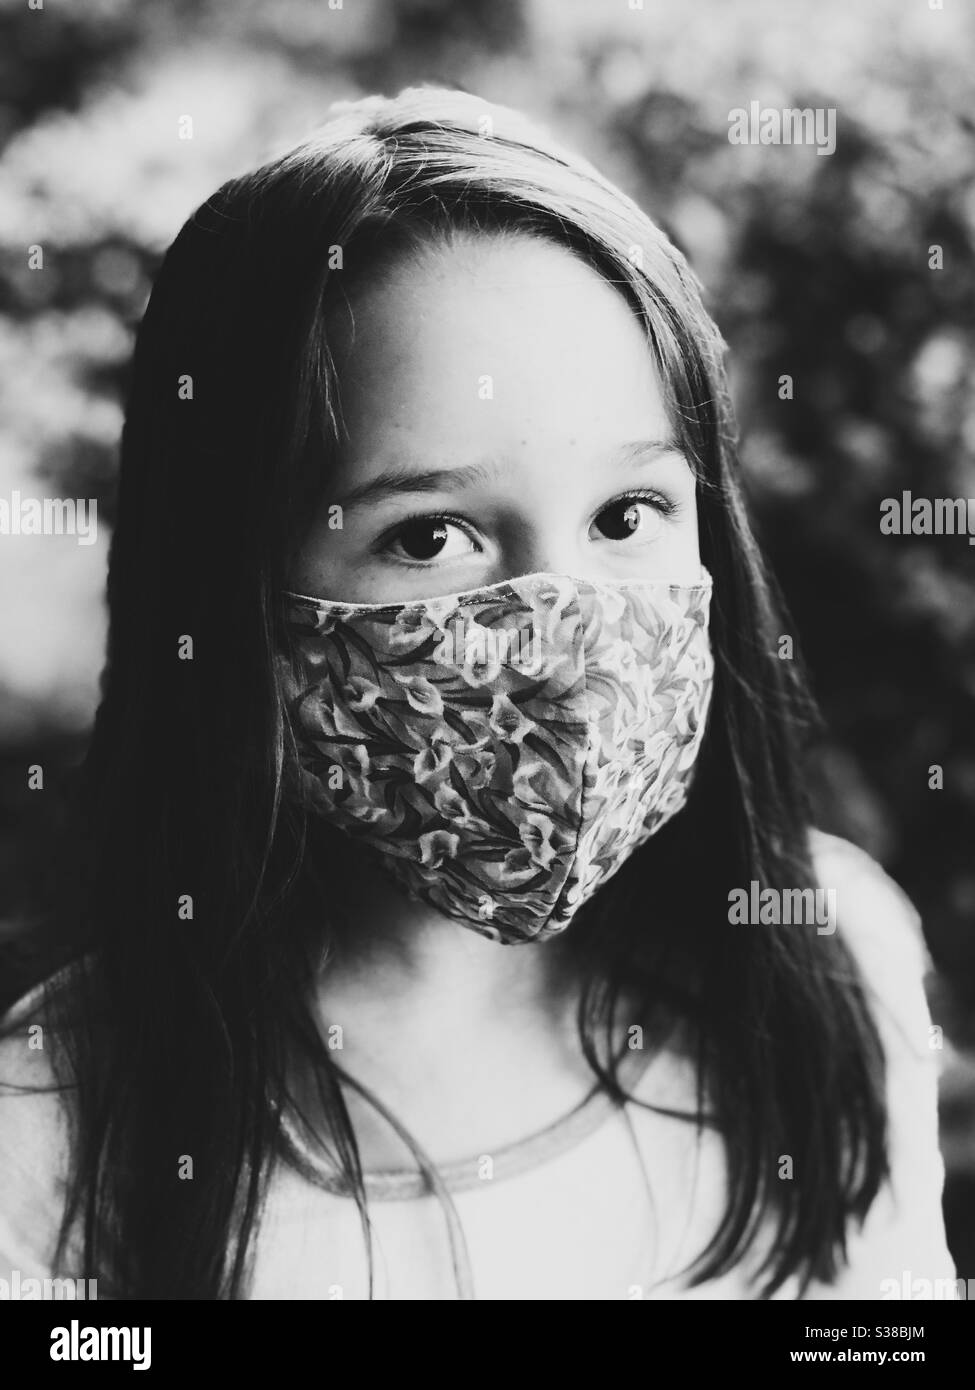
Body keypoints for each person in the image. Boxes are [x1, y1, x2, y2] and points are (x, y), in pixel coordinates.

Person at [0, 86, 955, 1300]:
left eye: (627, 513)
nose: (568, 636)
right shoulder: (51, 1148)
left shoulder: (827, 972)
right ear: (232, 589)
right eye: (432, 535)